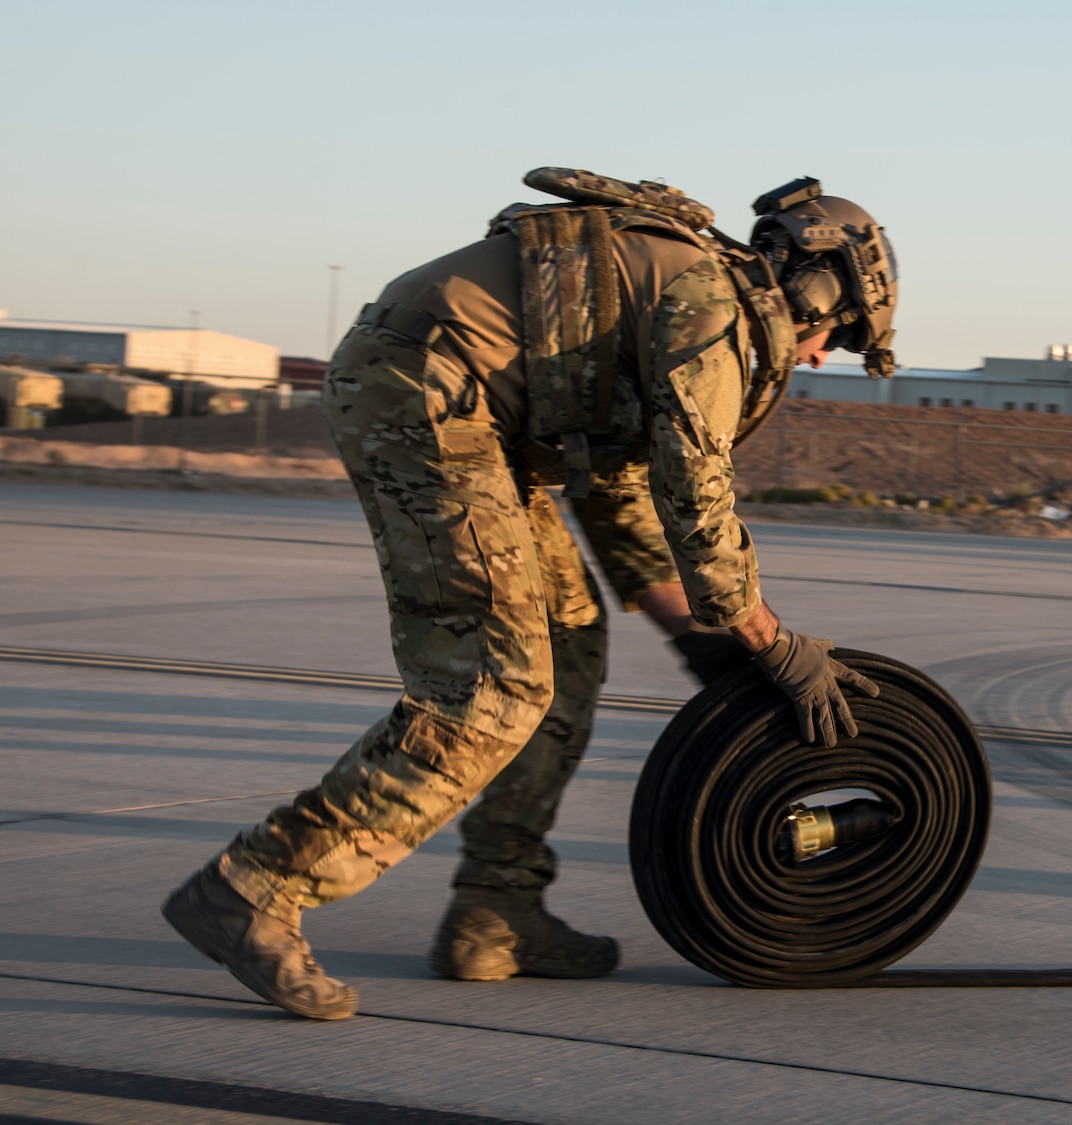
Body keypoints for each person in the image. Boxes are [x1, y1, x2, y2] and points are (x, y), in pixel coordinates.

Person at [161, 169, 899, 1020]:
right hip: (425, 394)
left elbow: (619, 489)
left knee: (571, 640)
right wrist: (770, 640)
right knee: (495, 685)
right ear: (818, 292)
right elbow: (696, 492)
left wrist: (705, 639)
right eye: (835, 340)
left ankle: (496, 907)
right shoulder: (715, 310)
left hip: (471, 411)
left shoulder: (681, 285)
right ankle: (257, 883)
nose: (815, 360)